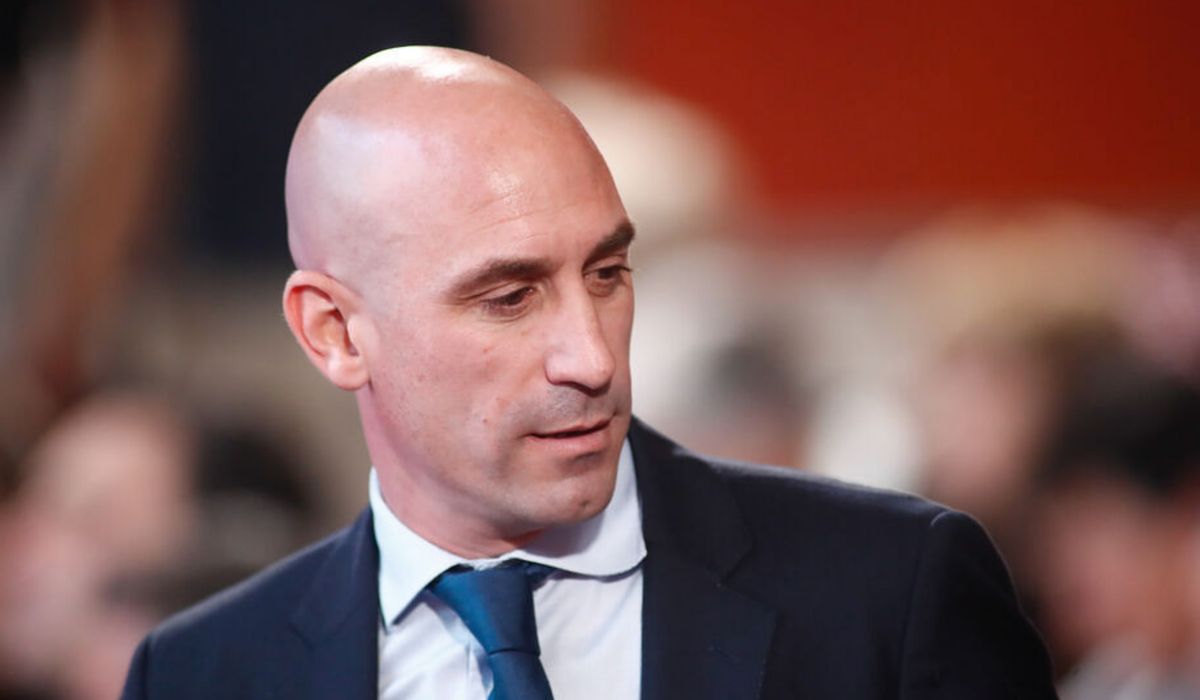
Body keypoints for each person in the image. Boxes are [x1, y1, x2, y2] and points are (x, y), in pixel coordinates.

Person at [120, 46, 1057, 699]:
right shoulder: (201, 676)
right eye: (509, 297)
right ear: (334, 332)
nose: (594, 358)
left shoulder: (890, 594)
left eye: (607, 274)